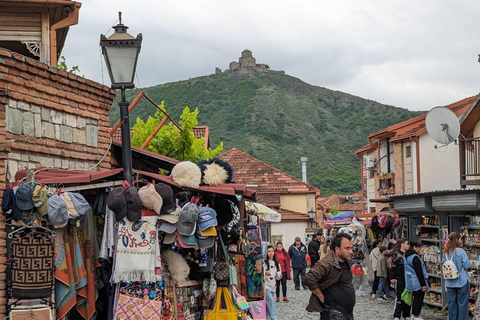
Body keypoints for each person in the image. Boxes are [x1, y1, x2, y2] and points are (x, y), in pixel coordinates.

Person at [305, 232, 355, 320]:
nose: (351, 251)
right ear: (337, 249)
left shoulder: (345, 261)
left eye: (351, 248)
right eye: (347, 248)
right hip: (333, 314)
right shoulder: (327, 263)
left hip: (346, 313)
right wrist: (320, 295)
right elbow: (309, 278)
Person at [442, 231, 471, 320]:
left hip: (450, 282)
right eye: (460, 239)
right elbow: (467, 265)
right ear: (457, 239)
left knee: (452, 304)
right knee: (462, 304)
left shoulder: (446, 251)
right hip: (461, 281)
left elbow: (443, 263)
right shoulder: (460, 251)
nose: (461, 241)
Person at [403, 240, 429, 320]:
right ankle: (416, 315)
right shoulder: (415, 258)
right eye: (419, 247)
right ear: (414, 247)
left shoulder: (405, 256)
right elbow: (419, 272)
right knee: (419, 298)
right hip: (416, 281)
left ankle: (412, 314)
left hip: (409, 280)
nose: (420, 249)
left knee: (413, 297)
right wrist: (423, 284)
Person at [388, 239, 411, 320]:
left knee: (408, 296)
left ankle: (406, 314)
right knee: (399, 296)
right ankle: (397, 315)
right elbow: (391, 266)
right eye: (407, 244)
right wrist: (392, 277)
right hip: (399, 278)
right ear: (402, 244)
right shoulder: (396, 254)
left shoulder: (409, 254)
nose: (408, 245)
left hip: (408, 278)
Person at [264, 245, 282, 320]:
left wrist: (277, 274)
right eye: (269, 251)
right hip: (266, 285)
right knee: (270, 300)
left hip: (273, 285)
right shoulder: (264, 263)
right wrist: (265, 273)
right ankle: (274, 317)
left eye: (272, 251)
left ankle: (267, 316)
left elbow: (279, 275)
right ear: (266, 252)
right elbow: (260, 273)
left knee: (269, 301)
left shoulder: (277, 263)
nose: (271, 253)